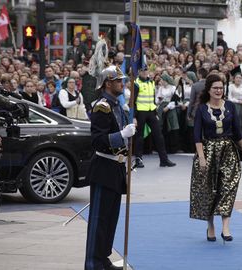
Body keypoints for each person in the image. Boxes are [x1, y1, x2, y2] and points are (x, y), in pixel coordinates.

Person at [84, 65, 136, 270]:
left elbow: (123, 139)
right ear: (107, 83)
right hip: (103, 168)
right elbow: (97, 141)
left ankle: (103, 259)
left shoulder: (117, 106)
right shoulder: (102, 107)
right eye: (118, 81)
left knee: (110, 220)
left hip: (116, 169)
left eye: (122, 80)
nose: (122, 84)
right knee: (99, 221)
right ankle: (93, 263)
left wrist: (131, 154)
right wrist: (121, 135)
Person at [190, 74, 242, 243]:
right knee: (209, 189)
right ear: (208, 89)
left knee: (228, 186)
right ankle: (211, 226)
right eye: (215, 88)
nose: (218, 91)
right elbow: (197, 135)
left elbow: (237, 129)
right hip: (208, 150)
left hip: (228, 150)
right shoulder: (201, 109)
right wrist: (201, 157)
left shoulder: (229, 106)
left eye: (221, 88)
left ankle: (226, 227)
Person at [133, 68, 176, 168]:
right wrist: (134, 117)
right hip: (140, 112)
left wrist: (155, 112)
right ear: (139, 72)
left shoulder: (151, 82)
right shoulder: (136, 83)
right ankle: (138, 160)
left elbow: (152, 99)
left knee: (159, 136)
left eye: (146, 70)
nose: (144, 72)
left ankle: (164, 160)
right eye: (142, 71)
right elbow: (133, 101)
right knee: (139, 137)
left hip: (151, 111)